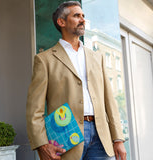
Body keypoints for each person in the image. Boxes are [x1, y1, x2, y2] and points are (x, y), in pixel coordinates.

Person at [26, 1, 127, 160]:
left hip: (101, 136)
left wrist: (118, 138)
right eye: (76, 16)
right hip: (67, 138)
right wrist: (42, 144)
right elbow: (35, 109)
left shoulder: (96, 57)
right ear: (62, 22)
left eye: (83, 16)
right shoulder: (44, 60)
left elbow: (109, 101)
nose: (82, 19)